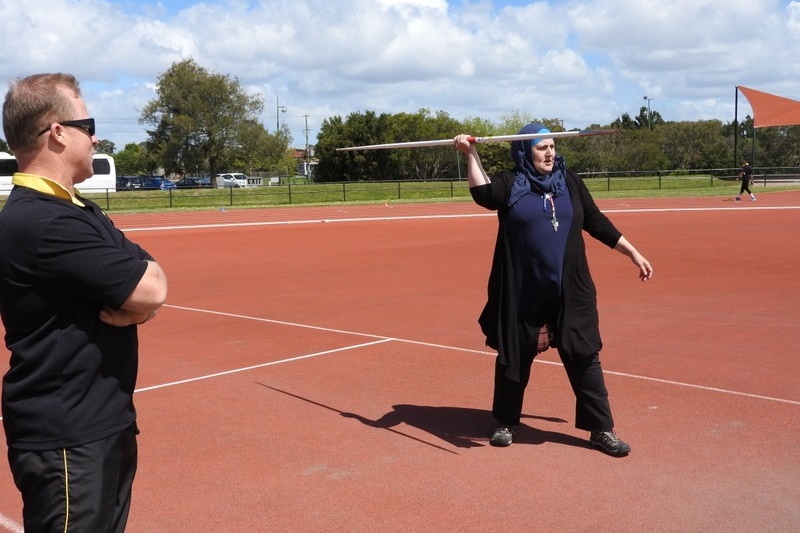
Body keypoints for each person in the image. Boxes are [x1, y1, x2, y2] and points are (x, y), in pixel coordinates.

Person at [0, 73, 168, 532]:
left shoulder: (79, 210)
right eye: (87, 124)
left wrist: (141, 303)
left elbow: (151, 280)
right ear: (56, 131)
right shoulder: (40, 221)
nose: (95, 137)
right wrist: (141, 303)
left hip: (100, 421)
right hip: (68, 436)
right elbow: (151, 288)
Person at [453, 123, 653, 457]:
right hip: (523, 290)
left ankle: (601, 429)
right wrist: (470, 153)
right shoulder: (511, 181)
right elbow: (484, 195)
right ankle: (505, 422)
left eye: (552, 146)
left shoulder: (570, 182)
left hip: (570, 289)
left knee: (584, 355)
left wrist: (632, 252)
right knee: (514, 358)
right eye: (541, 147)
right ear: (524, 151)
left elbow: (596, 221)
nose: (550, 152)